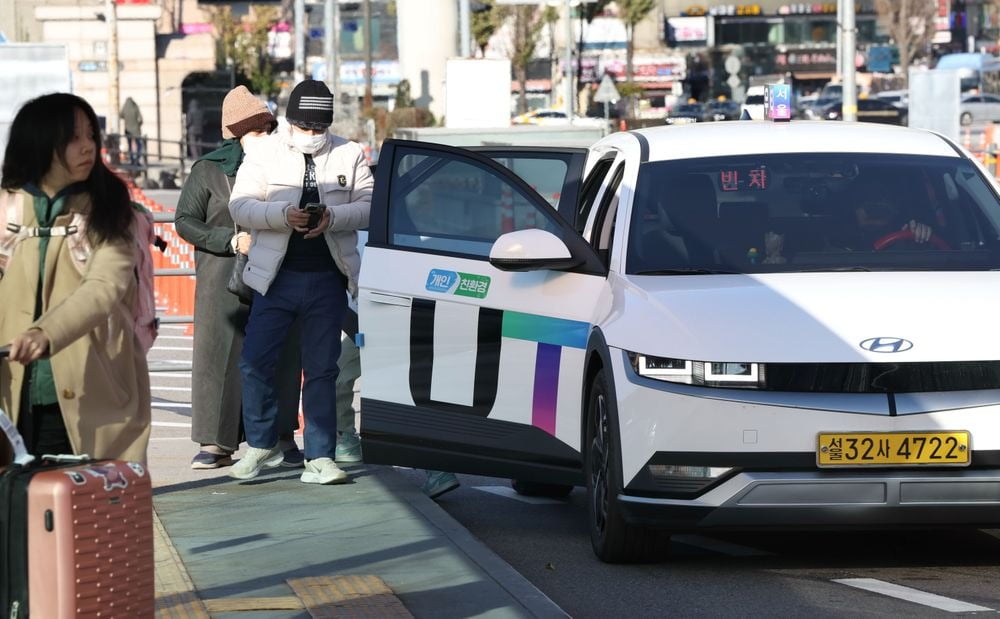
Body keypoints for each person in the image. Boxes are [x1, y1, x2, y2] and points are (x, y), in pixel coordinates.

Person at [228, 80, 373, 484]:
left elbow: (369, 207)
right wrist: (282, 215)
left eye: (319, 128)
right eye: (305, 127)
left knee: (322, 369)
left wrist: (332, 217)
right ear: (290, 122)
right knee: (255, 361)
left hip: (328, 277)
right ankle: (261, 444)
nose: (312, 135)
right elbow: (239, 204)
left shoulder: (349, 152)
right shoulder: (263, 152)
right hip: (274, 278)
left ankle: (321, 456)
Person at [0, 93, 150, 462]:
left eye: (90, 136)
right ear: (39, 142)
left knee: (78, 511)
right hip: (10, 394)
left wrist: (45, 332)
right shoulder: (7, 206)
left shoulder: (110, 209)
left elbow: (104, 286)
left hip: (89, 389)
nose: (87, 147)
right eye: (73, 137)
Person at [174, 85, 305, 470]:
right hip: (221, 275)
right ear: (235, 133)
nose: (263, 137)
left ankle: (280, 435)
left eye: (267, 128)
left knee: (282, 354)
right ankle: (216, 442)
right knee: (219, 354)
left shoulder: (290, 164)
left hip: (279, 270)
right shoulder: (209, 170)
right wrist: (228, 240)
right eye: (254, 131)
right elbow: (184, 221)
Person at [333, 230, 460, 499]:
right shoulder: (394, 222)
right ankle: (435, 467)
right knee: (393, 389)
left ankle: (347, 440)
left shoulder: (362, 225)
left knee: (342, 377)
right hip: (381, 313)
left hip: (374, 314)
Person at [120, 96, 143, 166]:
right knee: (139, 145)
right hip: (136, 130)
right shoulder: (135, 107)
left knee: (130, 146)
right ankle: (137, 159)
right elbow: (140, 119)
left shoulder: (125, 107)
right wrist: (139, 125)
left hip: (128, 130)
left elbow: (120, 115)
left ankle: (132, 160)